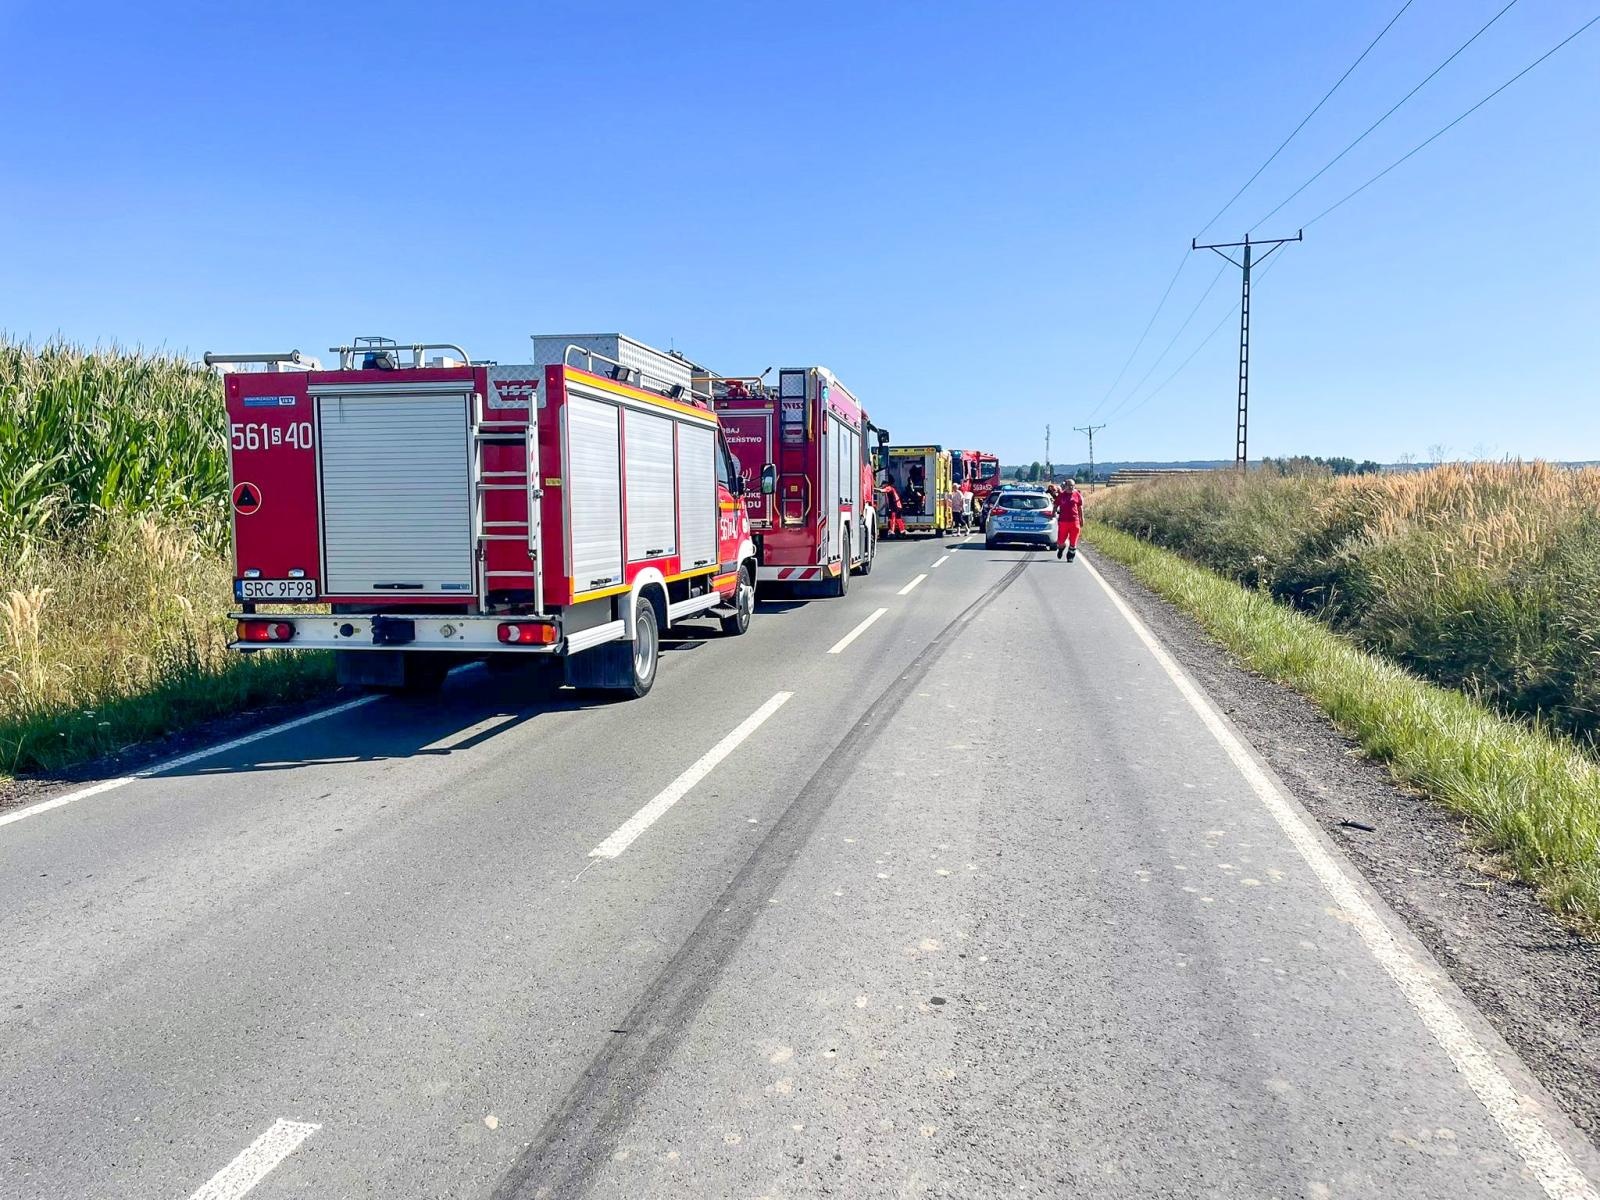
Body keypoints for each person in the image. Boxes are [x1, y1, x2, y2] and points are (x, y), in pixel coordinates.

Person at [1054, 477, 1084, 561]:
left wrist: (1082, 518)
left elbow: (1080, 507)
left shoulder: (1077, 494)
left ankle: (1070, 555)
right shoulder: (1061, 495)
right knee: (1060, 541)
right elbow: (1056, 505)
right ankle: (1061, 548)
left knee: (1073, 540)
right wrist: (1053, 513)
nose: (1071, 487)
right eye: (1069, 485)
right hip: (1063, 521)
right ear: (1065, 486)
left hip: (1074, 521)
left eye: (1072, 485)